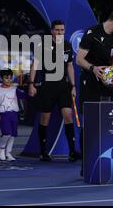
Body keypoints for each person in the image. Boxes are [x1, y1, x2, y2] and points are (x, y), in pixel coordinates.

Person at [76, 8, 113, 175]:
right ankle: (86, 164)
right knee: (90, 122)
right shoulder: (92, 33)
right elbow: (79, 59)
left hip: (107, 82)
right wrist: (93, 68)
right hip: (90, 79)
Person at [28, 20, 79, 162]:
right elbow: (35, 64)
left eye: (62, 30)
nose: (60, 33)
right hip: (46, 87)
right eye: (57, 30)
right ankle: (43, 152)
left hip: (63, 87)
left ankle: (72, 151)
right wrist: (31, 84)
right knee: (45, 119)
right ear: (51, 31)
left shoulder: (67, 45)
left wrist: (73, 86)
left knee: (68, 116)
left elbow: (70, 66)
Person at [0, 69, 27, 161]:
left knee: (13, 134)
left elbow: (23, 95)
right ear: (1, 78)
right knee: (6, 133)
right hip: (3, 115)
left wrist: (28, 89)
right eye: (6, 78)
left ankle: (8, 153)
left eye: (11, 78)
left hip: (14, 114)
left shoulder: (14, 89)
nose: (9, 80)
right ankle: (1, 149)